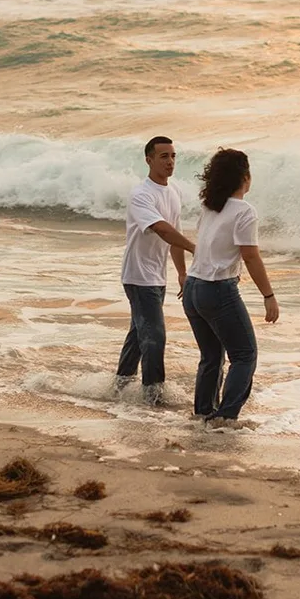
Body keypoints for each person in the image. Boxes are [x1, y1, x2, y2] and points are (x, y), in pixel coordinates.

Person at [182, 147, 279, 424]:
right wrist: (268, 295)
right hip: (216, 289)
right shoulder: (244, 211)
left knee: (211, 356)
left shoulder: (211, 207)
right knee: (245, 355)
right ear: (245, 177)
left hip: (193, 287)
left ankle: (203, 414)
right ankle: (225, 418)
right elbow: (250, 255)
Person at [115, 135, 196, 406]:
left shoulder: (173, 193)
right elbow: (161, 228)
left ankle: (120, 387)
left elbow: (174, 235)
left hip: (156, 276)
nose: (170, 162)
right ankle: (153, 397)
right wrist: (198, 249)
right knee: (154, 336)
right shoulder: (141, 194)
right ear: (149, 160)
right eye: (164, 156)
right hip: (138, 275)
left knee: (140, 335)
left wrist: (182, 273)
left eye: (173, 156)